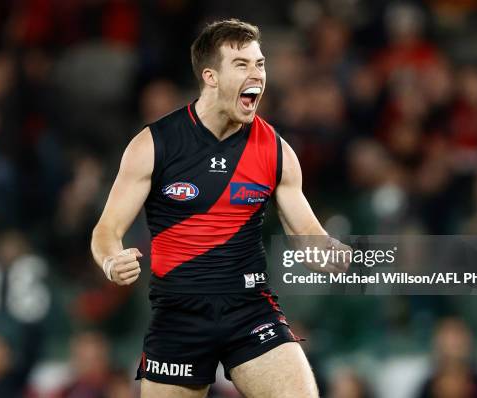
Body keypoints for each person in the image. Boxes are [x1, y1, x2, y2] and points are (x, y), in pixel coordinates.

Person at [91, 19, 350, 398]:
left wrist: (333, 255)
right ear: (210, 77)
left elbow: (307, 235)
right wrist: (111, 260)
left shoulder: (275, 150)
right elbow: (106, 231)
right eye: (242, 65)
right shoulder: (154, 144)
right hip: (178, 316)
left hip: (249, 311)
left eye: (259, 63)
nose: (257, 74)